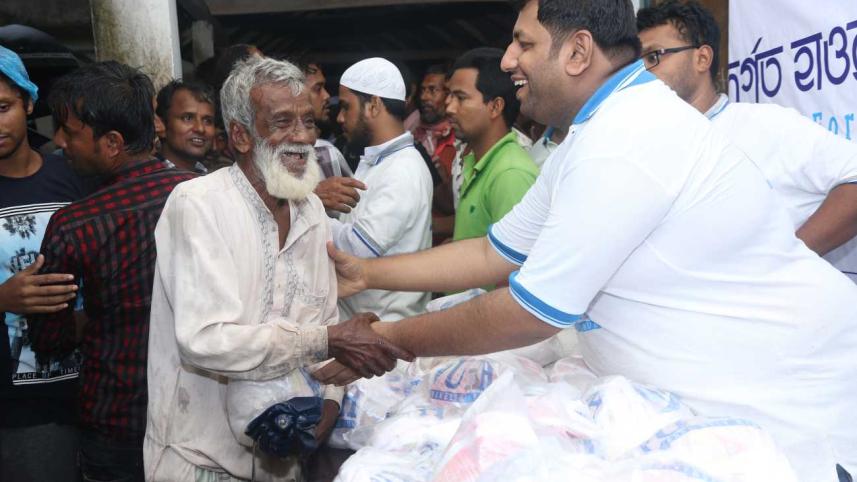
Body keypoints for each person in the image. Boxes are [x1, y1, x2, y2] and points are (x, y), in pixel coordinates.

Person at [316, 1, 857, 480]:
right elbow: (493, 252)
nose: (509, 61)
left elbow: (531, 312)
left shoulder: (627, 135)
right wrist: (368, 274)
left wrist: (389, 337)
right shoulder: (593, 133)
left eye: (524, 43)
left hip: (790, 416)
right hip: (708, 411)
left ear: (577, 52)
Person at [144, 56, 409, 482]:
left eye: (308, 121)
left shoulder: (311, 212)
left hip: (285, 457)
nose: (302, 137)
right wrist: (328, 340)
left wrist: (330, 403)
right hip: (202, 458)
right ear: (240, 136)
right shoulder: (197, 204)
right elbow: (205, 340)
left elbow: (325, 321)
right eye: (283, 122)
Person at [27, 61, 197, 482]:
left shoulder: (75, 224)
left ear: (112, 143)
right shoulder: (200, 193)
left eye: (70, 132)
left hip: (118, 421)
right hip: (197, 413)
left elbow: (49, 340)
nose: (59, 141)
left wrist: (97, 314)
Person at [637, 0, 857, 283]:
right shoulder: (650, 149)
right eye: (637, 64)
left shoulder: (763, 125)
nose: (643, 72)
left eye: (654, 56)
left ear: (702, 58)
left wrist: (782, 262)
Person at [0, 45, 84, 482]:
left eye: (3, 108)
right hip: (14, 408)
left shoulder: (72, 177)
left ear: (29, 104)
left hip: (88, 388)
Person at [333, 57, 433, 321]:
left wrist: (303, 210)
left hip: (385, 329)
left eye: (346, 107)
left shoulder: (403, 169)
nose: (339, 117)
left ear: (374, 106)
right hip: (365, 323)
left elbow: (357, 248)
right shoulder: (379, 161)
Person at [445, 47, 538, 243]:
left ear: (495, 107)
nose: (449, 107)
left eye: (460, 98)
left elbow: (512, 258)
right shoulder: (476, 162)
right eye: (450, 96)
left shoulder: (511, 174)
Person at [302, 61, 366, 216]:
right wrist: (311, 197)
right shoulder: (266, 155)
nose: (327, 96)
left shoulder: (327, 153)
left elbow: (357, 212)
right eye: (318, 89)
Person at [155, 80, 216, 174]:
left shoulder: (211, 178)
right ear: (160, 124)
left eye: (207, 121)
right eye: (188, 118)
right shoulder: (148, 178)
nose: (200, 128)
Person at [408, 64, 457, 179]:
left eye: (432, 90)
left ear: (449, 94)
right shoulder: (413, 134)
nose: (424, 97)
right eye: (423, 90)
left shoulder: (458, 137)